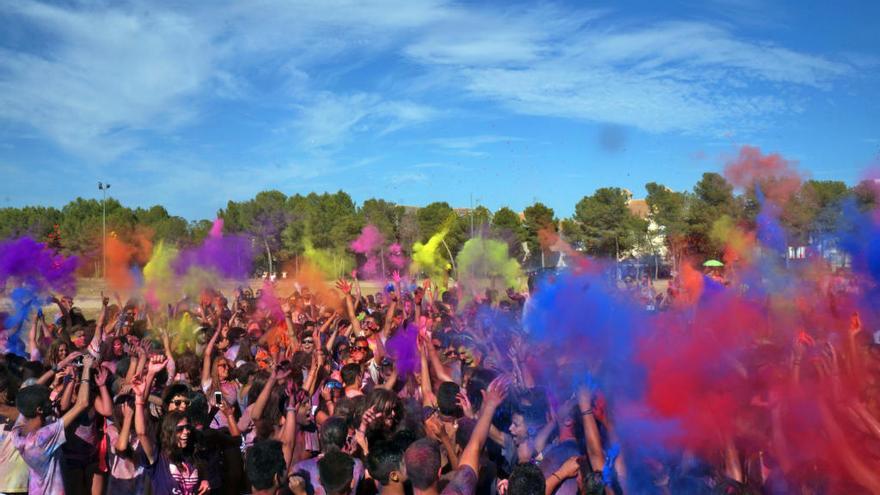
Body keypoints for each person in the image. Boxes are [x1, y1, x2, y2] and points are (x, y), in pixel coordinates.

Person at [13, 355, 94, 494]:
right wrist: (86, 368)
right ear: (39, 410)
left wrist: (59, 366)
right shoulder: (43, 438)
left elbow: (30, 391)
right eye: (48, 400)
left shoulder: (18, 431)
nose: (52, 400)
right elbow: (82, 403)